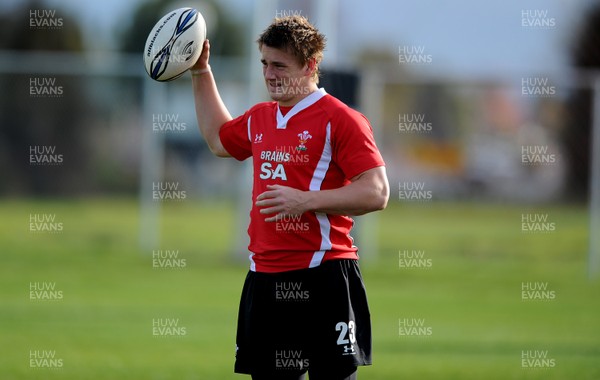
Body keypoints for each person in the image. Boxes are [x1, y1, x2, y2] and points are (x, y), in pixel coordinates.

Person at [190, 15, 389, 380]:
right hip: (265, 278)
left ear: (311, 65)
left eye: (279, 65)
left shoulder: (341, 119)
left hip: (324, 276)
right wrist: (201, 71)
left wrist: (306, 200)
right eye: (265, 63)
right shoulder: (260, 117)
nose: (269, 74)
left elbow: (376, 191)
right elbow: (219, 140)